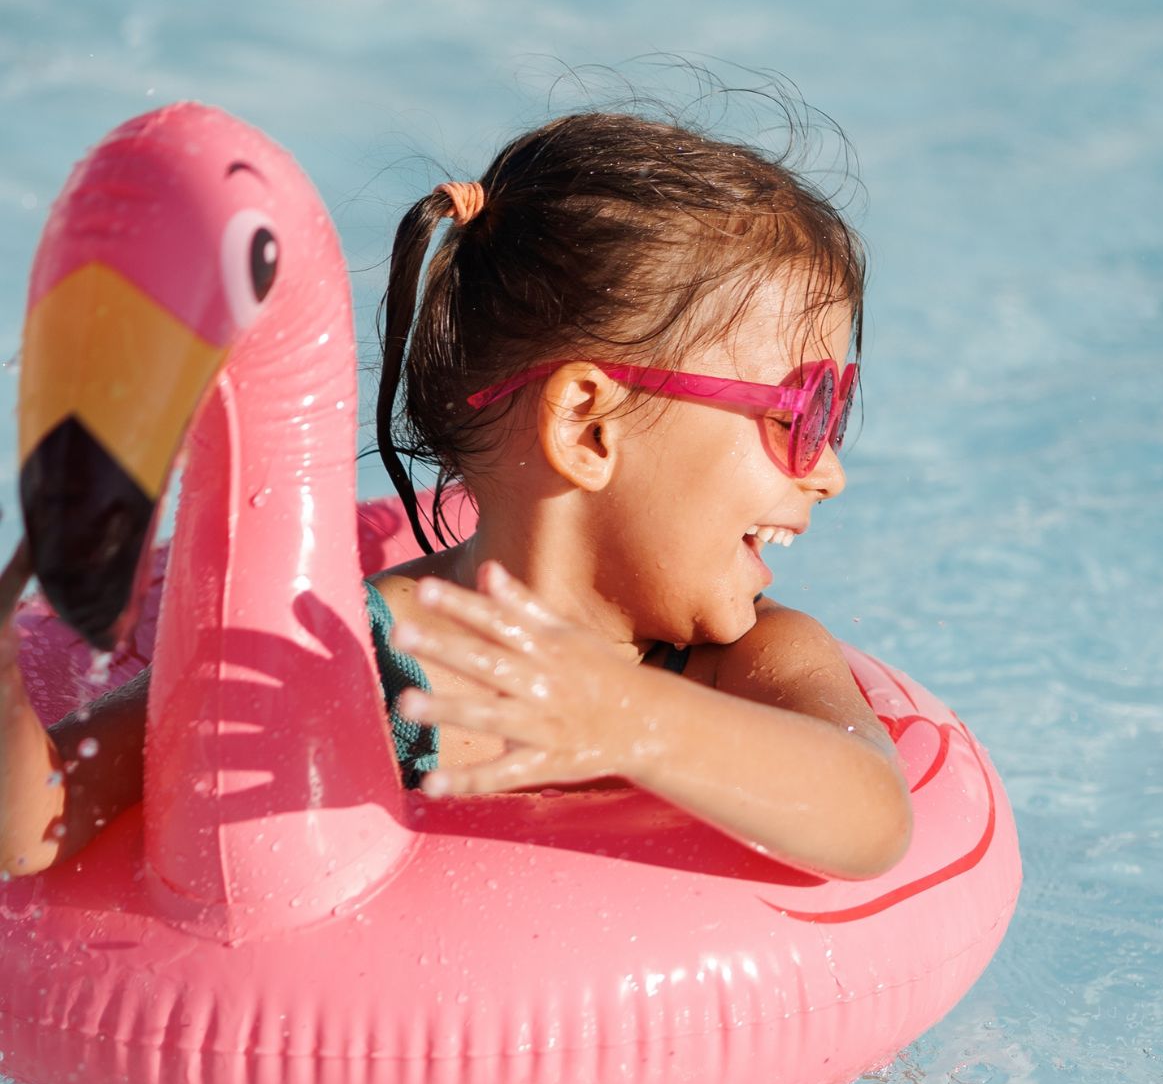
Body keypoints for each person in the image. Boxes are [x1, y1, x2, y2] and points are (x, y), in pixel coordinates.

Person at [0, 109, 911, 882]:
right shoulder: (335, 660)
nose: (830, 470)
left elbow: (873, 816)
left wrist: (630, 722)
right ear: (589, 424)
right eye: (806, 409)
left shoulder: (751, 664)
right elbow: (36, 821)